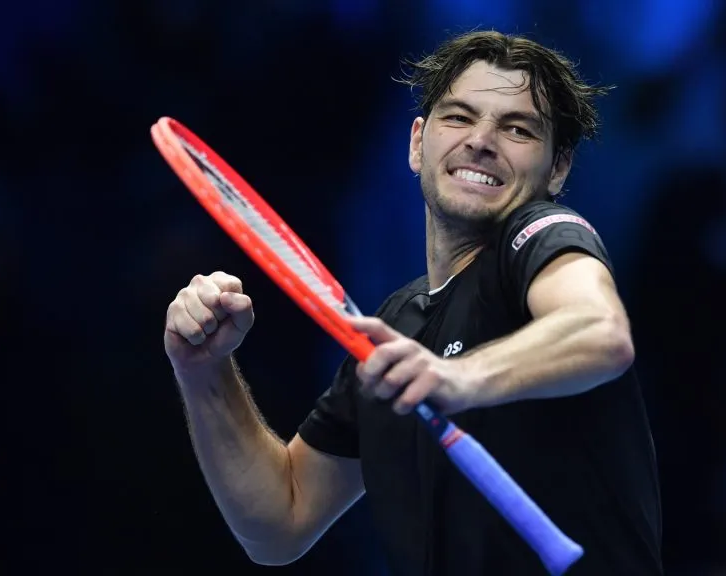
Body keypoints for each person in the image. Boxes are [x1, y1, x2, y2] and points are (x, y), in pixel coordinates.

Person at [163, 30, 663, 576]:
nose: (481, 140)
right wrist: (204, 369)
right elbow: (279, 522)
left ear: (558, 169)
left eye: (517, 128)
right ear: (417, 143)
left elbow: (599, 331)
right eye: (459, 117)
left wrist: (458, 379)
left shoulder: (540, 233)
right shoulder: (396, 329)